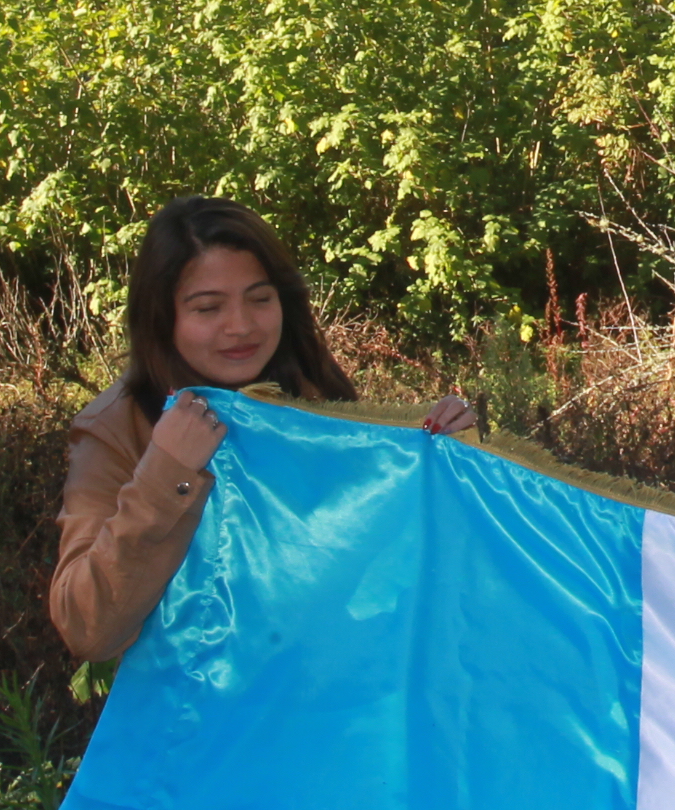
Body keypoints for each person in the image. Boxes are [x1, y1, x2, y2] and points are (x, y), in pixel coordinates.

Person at [50, 195, 480, 662]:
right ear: (162, 317)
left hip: (325, 694)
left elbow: (370, 549)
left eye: (259, 299)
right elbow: (86, 628)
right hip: (201, 721)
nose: (241, 326)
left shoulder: (308, 390)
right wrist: (165, 473)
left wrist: (440, 456)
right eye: (208, 308)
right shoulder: (116, 428)